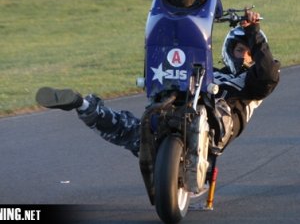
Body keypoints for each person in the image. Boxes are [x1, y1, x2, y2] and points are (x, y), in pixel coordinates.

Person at [35, 11, 280, 156]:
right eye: (240, 50)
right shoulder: (210, 71)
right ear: (229, 51)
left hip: (216, 121)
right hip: (179, 112)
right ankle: (82, 104)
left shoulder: (252, 86)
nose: (245, 57)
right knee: (133, 129)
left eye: (250, 53)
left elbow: (268, 74)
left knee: (205, 111)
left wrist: (254, 33)